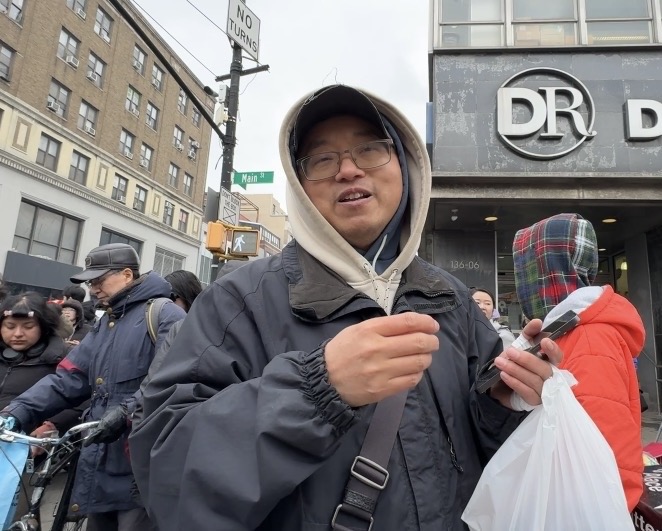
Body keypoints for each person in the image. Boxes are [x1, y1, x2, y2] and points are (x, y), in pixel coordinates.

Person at [129, 84, 562, 531]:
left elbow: (493, 466)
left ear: (406, 165)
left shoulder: (450, 298)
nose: (348, 170)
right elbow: (165, 474)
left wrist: (504, 402)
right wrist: (318, 390)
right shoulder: (238, 301)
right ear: (299, 185)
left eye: (370, 149)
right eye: (322, 159)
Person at [1, 243, 186, 531]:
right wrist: (17, 412)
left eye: (99, 279)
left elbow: (167, 381)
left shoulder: (166, 315)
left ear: (127, 274)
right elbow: (69, 378)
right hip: (100, 459)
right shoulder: (107, 322)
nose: (93, 288)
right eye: (90, 282)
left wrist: (125, 413)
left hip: (141, 465)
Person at [512, 212, 644, 511]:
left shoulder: (587, 335)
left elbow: (608, 442)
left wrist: (603, 514)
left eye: (528, 269)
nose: (524, 284)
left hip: (584, 507)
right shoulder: (564, 329)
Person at [132, 270, 203, 427]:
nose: (167, 303)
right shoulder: (159, 317)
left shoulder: (185, 326)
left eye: (172, 297)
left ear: (186, 296)